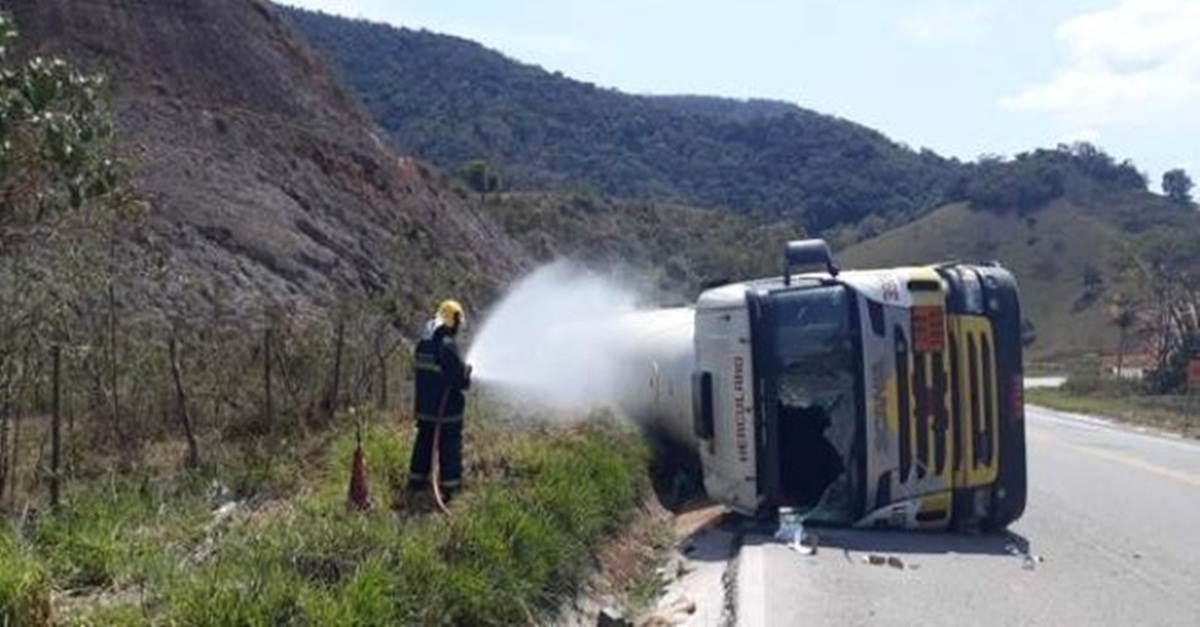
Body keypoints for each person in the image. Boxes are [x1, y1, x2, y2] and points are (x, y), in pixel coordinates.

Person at [408, 299, 472, 498]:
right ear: (453, 322)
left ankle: (416, 481)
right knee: (449, 446)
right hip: (446, 411)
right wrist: (466, 373)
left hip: (425, 408)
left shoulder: (423, 343)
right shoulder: (446, 345)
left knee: (423, 443)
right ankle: (450, 487)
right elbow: (460, 381)